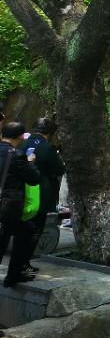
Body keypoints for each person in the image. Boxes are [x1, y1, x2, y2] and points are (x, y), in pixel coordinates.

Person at [0, 121, 41, 288]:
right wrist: (30, 162)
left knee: (24, 230)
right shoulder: (17, 155)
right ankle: (13, 276)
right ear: (21, 137)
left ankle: (14, 275)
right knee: (20, 232)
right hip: (7, 207)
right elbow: (34, 179)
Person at [23, 118, 65, 271]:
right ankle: (24, 263)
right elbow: (59, 169)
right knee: (35, 230)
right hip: (39, 194)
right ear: (50, 133)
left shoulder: (22, 143)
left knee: (20, 229)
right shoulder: (47, 148)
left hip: (19, 192)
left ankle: (19, 264)